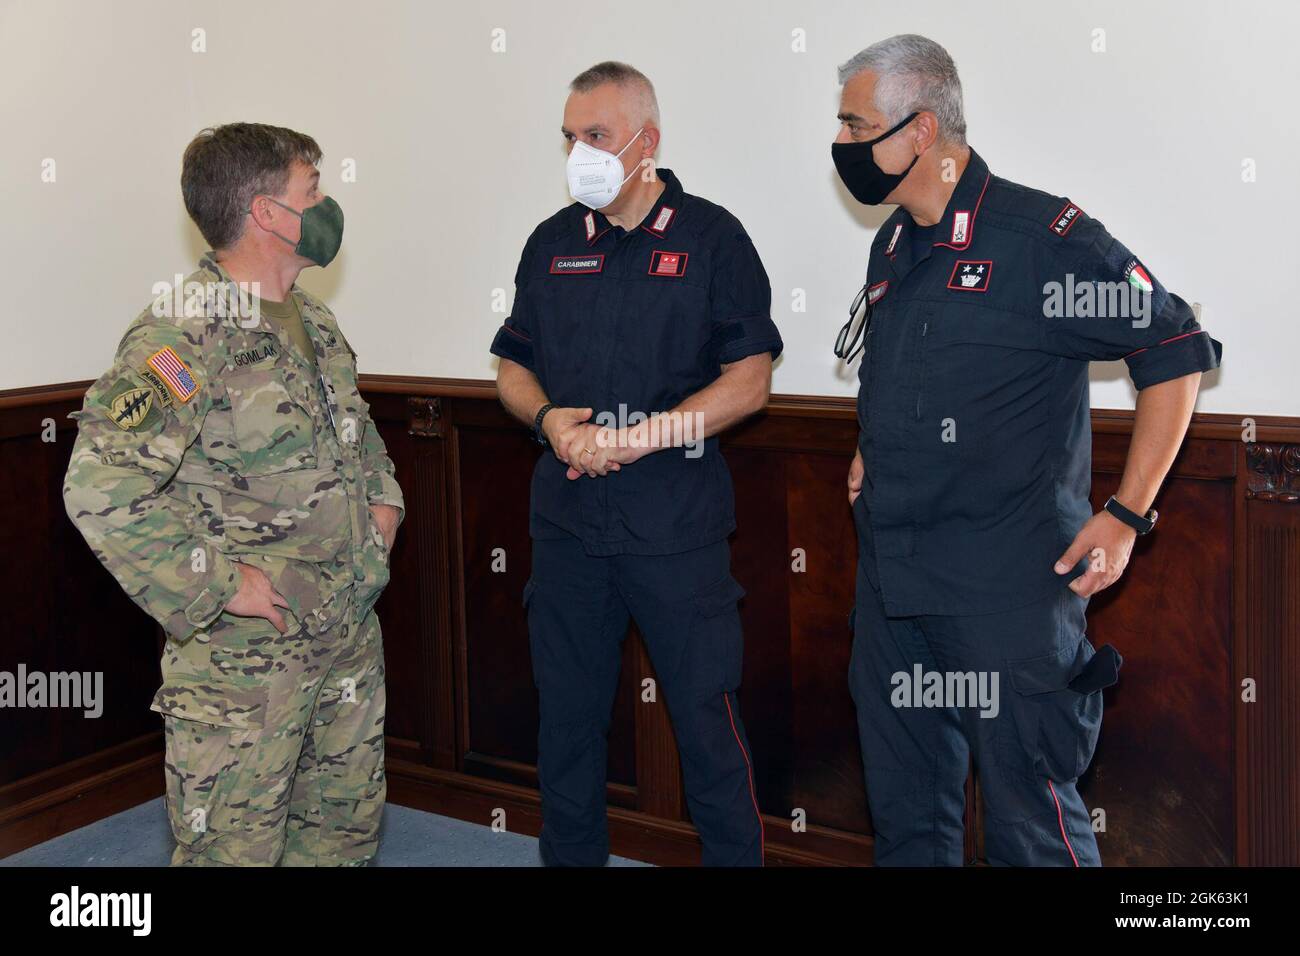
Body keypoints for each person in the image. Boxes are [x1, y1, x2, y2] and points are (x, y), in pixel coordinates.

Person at [831, 35, 1222, 866]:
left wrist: (1126, 514)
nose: (842, 144)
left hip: (1003, 589)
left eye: (855, 124)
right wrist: (877, 446)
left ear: (921, 130)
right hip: (893, 582)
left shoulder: (1040, 238)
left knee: (1031, 823)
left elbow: (1177, 348)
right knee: (905, 815)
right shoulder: (896, 244)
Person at [63, 123, 403, 866]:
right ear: (266, 213)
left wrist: (384, 504)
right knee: (233, 855)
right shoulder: (181, 333)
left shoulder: (313, 319)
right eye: (311, 192)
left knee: (341, 841)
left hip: (344, 638)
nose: (326, 207)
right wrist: (218, 585)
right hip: (245, 672)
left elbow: (357, 433)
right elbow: (99, 488)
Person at [489, 62, 783, 866]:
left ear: (646, 144)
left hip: (676, 532)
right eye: (570, 137)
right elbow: (511, 368)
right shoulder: (551, 243)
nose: (578, 152)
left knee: (705, 726)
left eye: (597, 136)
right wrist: (550, 420)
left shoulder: (712, 237)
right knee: (569, 727)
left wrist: (640, 437)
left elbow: (750, 380)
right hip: (570, 531)